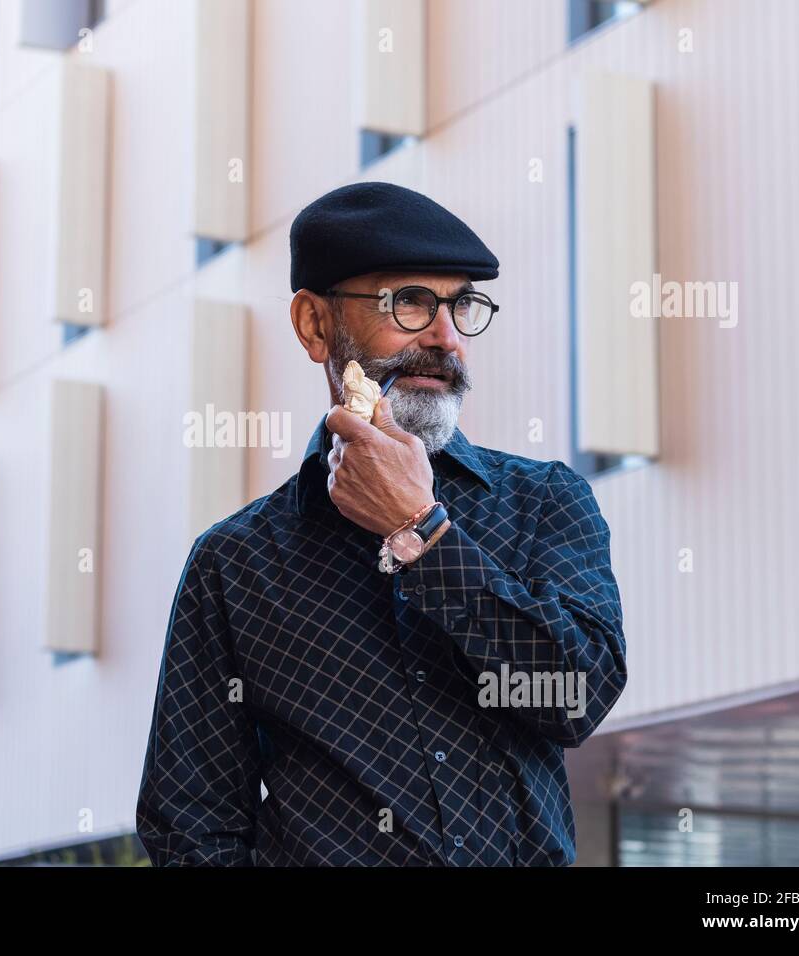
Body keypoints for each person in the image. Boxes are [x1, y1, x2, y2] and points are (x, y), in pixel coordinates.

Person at [136, 181, 627, 866]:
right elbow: (189, 824)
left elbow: (577, 698)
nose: (445, 338)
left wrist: (420, 529)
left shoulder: (543, 500)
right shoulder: (235, 563)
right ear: (315, 325)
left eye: (461, 305)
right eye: (410, 302)